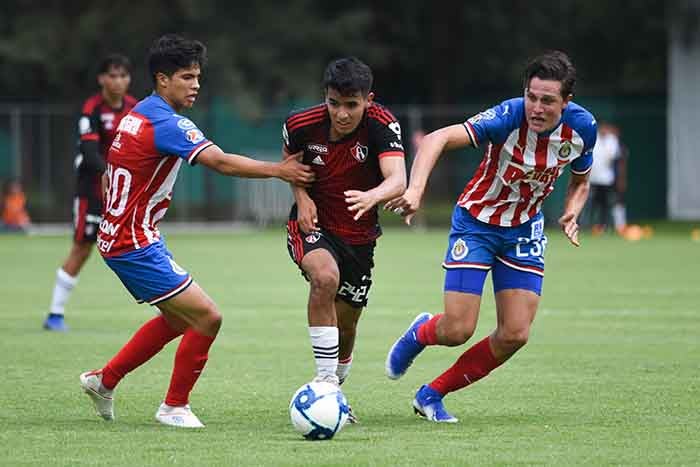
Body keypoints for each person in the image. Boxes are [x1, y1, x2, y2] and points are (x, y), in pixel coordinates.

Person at [79, 34, 314, 428]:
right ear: (162, 79)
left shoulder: (133, 115)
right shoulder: (165, 122)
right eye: (187, 77)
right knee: (207, 317)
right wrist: (280, 170)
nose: (196, 85)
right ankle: (174, 406)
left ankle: (104, 381)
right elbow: (220, 163)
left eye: (198, 76)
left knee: (178, 318)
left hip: (127, 234)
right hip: (132, 242)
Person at [384, 51, 596, 422]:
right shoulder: (507, 116)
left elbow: (581, 180)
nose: (537, 107)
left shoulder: (583, 129)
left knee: (515, 333)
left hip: (524, 231)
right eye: (532, 96)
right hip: (477, 223)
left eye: (548, 100)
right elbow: (435, 139)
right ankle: (421, 332)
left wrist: (573, 209)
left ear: (566, 102)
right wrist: (416, 190)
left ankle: (431, 394)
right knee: (458, 329)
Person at [283, 57, 406, 420]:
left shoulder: (383, 124)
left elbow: (397, 179)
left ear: (369, 100)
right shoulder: (300, 123)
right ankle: (324, 384)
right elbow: (291, 163)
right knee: (324, 278)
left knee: (347, 323)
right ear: (326, 96)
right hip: (313, 225)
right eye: (334, 103)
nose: (341, 113)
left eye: (351, 105)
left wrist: (373, 196)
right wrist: (302, 198)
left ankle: (336, 387)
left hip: (360, 235)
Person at [43, 54, 137, 331]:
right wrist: (110, 172)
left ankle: (164, 306)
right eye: (113, 75)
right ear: (102, 79)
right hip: (92, 191)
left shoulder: (134, 108)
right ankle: (55, 314)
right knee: (83, 248)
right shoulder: (91, 109)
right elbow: (89, 152)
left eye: (123, 76)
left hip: (123, 193)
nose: (118, 81)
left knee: (139, 244)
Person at [588, 122, 626, 235]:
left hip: (607, 179)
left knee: (608, 203)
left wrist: (620, 178)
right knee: (592, 203)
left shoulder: (612, 140)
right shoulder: (593, 139)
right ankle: (589, 225)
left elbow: (618, 159)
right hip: (593, 179)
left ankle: (610, 226)